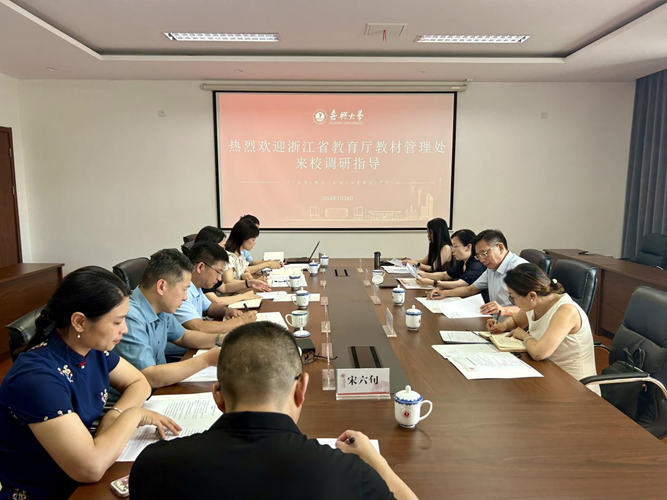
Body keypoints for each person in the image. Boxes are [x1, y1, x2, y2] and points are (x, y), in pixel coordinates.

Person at [130, 322, 418, 500]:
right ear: (301, 389)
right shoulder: (349, 474)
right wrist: (377, 462)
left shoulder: (153, 466)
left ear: (218, 396)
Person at [0, 267, 180, 500]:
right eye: (117, 321)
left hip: (83, 477)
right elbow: (90, 468)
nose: (124, 329)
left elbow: (139, 382)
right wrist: (133, 415)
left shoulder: (90, 349)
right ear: (79, 322)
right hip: (51, 491)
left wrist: (114, 415)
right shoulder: (36, 378)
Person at [113, 249, 222, 389]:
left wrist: (222, 339)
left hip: (160, 388)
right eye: (184, 289)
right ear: (161, 286)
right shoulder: (129, 317)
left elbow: (183, 336)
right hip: (140, 396)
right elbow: (148, 376)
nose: (185, 297)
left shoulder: (160, 306)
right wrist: (206, 360)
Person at [488, 263, 599, 394]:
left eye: (513, 297)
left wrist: (524, 336)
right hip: (546, 372)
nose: (513, 302)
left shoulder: (566, 311)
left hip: (574, 386)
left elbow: (539, 353)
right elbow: (515, 321)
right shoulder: (535, 303)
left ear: (532, 296)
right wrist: (503, 326)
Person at [428, 229, 527, 317]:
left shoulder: (520, 269)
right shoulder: (492, 267)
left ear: (500, 248)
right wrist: (445, 293)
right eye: (478, 256)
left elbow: (532, 308)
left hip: (515, 326)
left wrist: (504, 310)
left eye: (484, 253)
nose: (481, 260)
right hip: (496, 321)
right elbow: (471, 289)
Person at [174, 242, 257, 333]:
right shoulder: (181, 291)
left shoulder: (196, 286)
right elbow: (198, 327)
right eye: (218, 272)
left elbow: (208, 308)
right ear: (200, 267)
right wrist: (240, 321)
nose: (219, 278)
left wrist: (226, 310)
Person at [194, 225, 270, 294]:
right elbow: (216, 301)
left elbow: (224, 288)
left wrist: (250, 283)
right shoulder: (204, 275)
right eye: (223, 247)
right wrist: (245, 293)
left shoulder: (210, 268)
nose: (219, 278)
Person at [416, 229, 486, 291]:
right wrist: (425, 275)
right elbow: (445, 275)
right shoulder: (462, 262)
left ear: (468, 247)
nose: (452, 250)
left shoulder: (477, 265)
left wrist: (432, 283)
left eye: (455, 246)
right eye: (452, 247)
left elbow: (459, 284)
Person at [224, 218, 281, 283]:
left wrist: (247, 275)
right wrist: (252, 282)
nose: (254, 243)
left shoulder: (241, 254)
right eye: (253, 240)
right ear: (243, 238)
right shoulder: (228, 256)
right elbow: (229, 282)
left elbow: (245, 269)